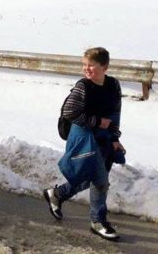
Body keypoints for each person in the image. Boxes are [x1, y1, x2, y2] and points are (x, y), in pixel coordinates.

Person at [43, 47, 125, 241]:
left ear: (104, 66)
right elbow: (70, 113)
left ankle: (57, 194)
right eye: (84, 65)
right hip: (83, 136)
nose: (86, 69)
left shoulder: (113, 85)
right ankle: (97, 221)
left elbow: (115, 114)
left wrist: (115, 138)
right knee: (100, 180)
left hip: (103, 136)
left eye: (91, 66)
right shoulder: (83, 86)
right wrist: (97, 122)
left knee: (90, 176)